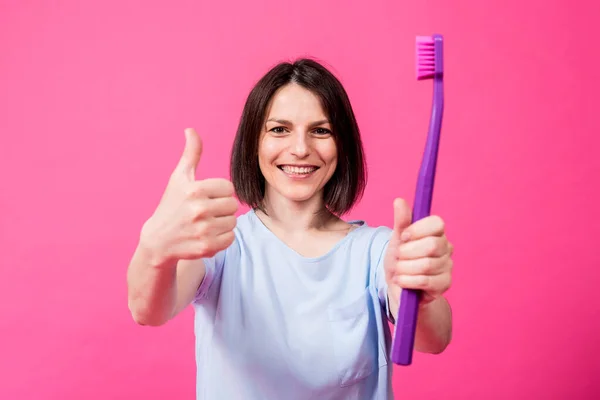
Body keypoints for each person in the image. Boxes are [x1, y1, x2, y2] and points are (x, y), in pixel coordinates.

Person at [126, 58, 454, 400]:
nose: (300, 149)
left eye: (321, 130)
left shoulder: (378, 251)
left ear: (342, 146)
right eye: (279, 129)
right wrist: (154, 248)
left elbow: (435, 338)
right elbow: (148, 309)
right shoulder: (222, 244)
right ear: (254, 142)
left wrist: (420, 291)